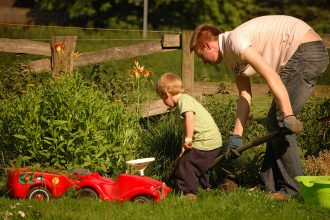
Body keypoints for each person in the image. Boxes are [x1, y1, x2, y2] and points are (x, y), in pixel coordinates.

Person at [190, 15, 329, 200]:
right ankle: (268, 185)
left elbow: (270, 74)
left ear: (207, 44)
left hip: (305, 52)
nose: (203, 61)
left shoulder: (234, 41)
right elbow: (245, 94)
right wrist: (236, 136)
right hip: (306, 52)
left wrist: (287, 115)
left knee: (279, 120)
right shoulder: (231, 56)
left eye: (201, 55)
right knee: (274, 122)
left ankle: (293, 190)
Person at [156, 72, 222, 200]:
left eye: (162, 97)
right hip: (213, 141)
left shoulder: (184, 100)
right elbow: (186, 129)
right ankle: (203, 187)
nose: (163, 101)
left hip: (205, 140)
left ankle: (189, 193)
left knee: (187, 164)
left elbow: (190, 119)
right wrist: (183, 147)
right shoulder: (185, 100)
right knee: (200, 165)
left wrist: (188, 139)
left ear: (167, 93)